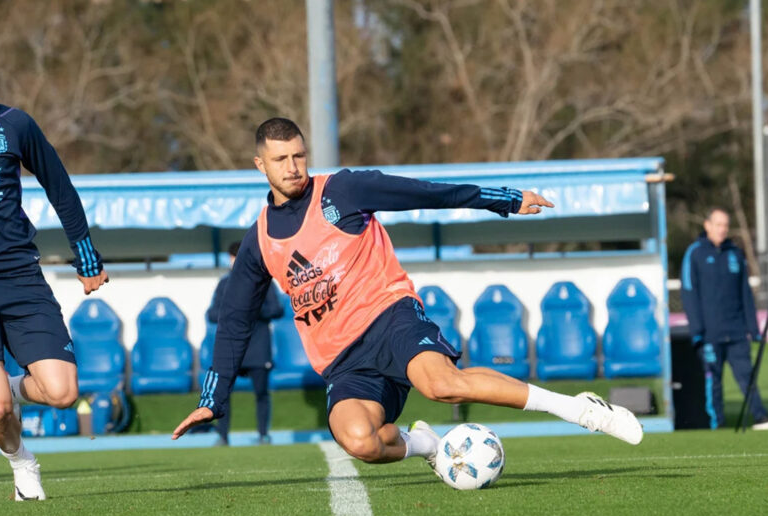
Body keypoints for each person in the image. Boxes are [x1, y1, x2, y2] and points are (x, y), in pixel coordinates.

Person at [173, 117, 643, 469]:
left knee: (442, 384)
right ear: (260, 165)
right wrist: (213, 399)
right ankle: (426, 445)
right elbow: (234, 320)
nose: (294, 167)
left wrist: (500, 198)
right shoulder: (259, 241)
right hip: (342, 360)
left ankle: (581, 409)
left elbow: (426, 192)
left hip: (390, 315)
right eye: (281, 159)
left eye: (299, 155)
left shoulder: (342, 192)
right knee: (360, 442)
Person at [0, 28, 108, 500]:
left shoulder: (14, 124)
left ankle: (12, 386)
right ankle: (22, 463)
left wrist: (87, 255)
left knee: (63, 393)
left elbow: (60, 187)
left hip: (19, 278)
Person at [680, 207, 768, 430]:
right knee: (713, 382)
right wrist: (698, 331)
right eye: (718, 225)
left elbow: (745, 294)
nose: (722, 229)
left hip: (736, 330)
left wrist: (753, 328)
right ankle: (716, 423)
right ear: (707, 225)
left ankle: (760, 417)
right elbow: (689, 293)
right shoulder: (695, 253)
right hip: (710, 333)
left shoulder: (735, 253)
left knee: (747, 376)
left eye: (726, 225)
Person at [206, 241, 283, 445]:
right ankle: (222, 436)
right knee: (223, 394)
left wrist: (252, 312)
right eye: (233, 258)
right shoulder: (225, 284)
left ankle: (263, 434)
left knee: (261, 393)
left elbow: (277, 310)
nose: (236, 261)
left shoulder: (264, 281)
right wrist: (232, 314)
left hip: (258, 347)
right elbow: (212, 314)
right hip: (232, 349)